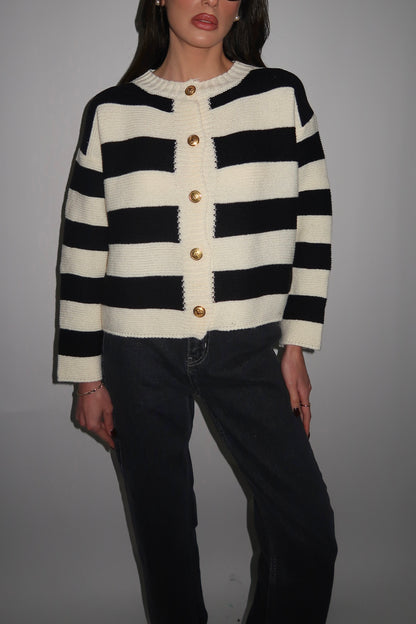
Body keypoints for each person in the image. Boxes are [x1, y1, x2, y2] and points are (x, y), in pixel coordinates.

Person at [56, 0, 337, 621]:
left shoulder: (280, 97)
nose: (208, 1)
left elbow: (312, 223)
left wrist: (295, 343)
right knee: (165, 541)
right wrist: (85, 376)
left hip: (247, 345)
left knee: (306, 531)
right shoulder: (111, 112)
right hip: (136, 354)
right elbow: (84, 249)